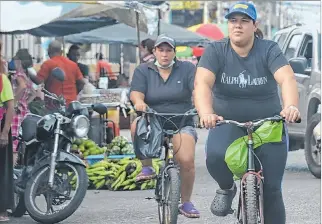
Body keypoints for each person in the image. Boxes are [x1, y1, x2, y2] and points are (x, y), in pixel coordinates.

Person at [194, 2, 300, 224]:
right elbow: (202, 83)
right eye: (233, 21)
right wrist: (206, 113)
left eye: (244, 21)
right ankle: (226, 188)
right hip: (226, 122)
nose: (238, 26)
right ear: (228, 24)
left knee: (272, 189)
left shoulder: (269, 49)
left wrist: (290, 106)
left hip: (268, 125)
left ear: (255, 25)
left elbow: (287, 78)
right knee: (214, 157)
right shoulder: (216, 50)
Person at [130, 34, 200, 218]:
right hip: (153, 120)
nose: (165, 54)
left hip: (182, 120)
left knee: (186, 161)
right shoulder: (143, 70)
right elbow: (136, 94)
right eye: (161, 50)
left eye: (169, 50)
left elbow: (198, 90)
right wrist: (139, 102)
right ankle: (147, 166)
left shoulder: (187, 68)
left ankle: (186, 202)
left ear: (174, 53)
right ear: (154, 52)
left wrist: (202, 107)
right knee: (136, 125)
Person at [29, 40, 85, 106]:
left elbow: (38, 81)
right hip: (72, 104)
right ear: (61, 52)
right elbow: (81, 83)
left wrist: (27, 70)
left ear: (48, 51)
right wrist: (74, 94)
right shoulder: (73, 64)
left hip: (55, 104)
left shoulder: (48, 64)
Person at [10, 49, 36, 158]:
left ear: (19, 61)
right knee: (19, 140)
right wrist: (24, 102)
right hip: (24, 111)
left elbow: (22, 87)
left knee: (13, 140)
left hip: (16, 112)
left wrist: (14, 102)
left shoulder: (19, 75)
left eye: (15, 59)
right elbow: (34, 93)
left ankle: (11, 168)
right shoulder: (26, 75)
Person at [0, 41, 15, 222]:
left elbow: (10, 106)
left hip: (1, 127)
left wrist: (4, 133)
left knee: (2, 169)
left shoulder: (2, 80)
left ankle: (2, 209)